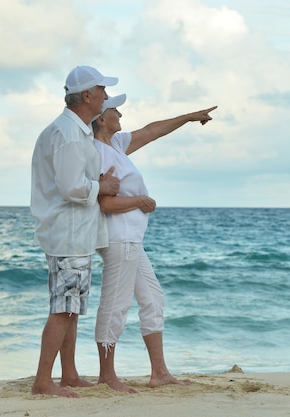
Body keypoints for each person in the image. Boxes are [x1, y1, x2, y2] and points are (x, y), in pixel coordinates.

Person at [91, 94, 217, 393]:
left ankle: (159, 372)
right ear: (100, 118)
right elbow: (104, 203)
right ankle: (106, 376)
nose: (120, 114)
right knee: (115, 305)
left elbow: (151, 130)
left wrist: (187, 117)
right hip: (117, 236)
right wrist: (140, 201)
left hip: (132, 237)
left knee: (152, 298)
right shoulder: (95, 152)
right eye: (114, 110)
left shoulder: (117, 145)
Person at [30, 65, 121, 398]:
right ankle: (43, 381)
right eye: (102, 90)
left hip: (74, 231)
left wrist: (98, 185)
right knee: (64, 307)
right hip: (68, 231)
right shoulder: (68, 133)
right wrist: (102, 185)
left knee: (71, 306)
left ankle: (67, 374)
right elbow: (70, 187)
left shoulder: (74, 130)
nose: (106, 96)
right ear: (87, 96)